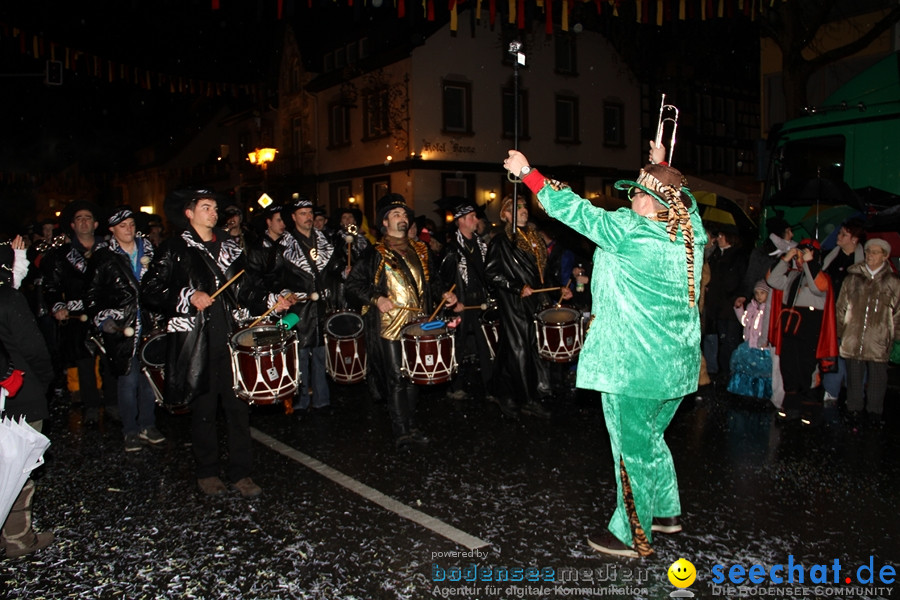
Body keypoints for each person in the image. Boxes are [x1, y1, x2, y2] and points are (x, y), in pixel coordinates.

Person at [503, 140, 706, 558]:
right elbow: (682, 201)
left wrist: (529, 173)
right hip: (676, 368)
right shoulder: (692, 235)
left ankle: (633, 533)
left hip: (634, 365)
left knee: (631, 449)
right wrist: (661, 164)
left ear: (650, 203)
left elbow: (576, 212)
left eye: (636, 193)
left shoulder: (630, 230)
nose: (629, 198)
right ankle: (665, 512)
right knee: (651, 439)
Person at [140, 189, 261, 498]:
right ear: (189, 213)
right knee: (204, 410)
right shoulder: (174, 248)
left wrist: (273, 299)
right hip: (197, 341)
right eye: (206, 207)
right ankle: (207, 472)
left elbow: (246, 288)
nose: (214, 212)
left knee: (238, 410)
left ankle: (241, 473)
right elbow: (150, 290)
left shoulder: (229, 246)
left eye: (215, 206)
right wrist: (187, 297)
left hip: (232, 340)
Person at [345, 194, 457, 449]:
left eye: (405, 214)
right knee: (396, 377)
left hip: (418, 324)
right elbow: (352, 285)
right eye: (396, 214)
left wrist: (444, 294)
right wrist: (376, 298)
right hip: (389, 325)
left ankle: (412, 425)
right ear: (384, 222)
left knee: (415, 376)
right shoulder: (375, 253)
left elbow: (434, 282)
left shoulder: (421, 249)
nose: (403, 218)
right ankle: (401, 430)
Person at [85, 207, 165, 452]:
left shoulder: (149, 248)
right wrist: (103, 320)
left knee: (148, 379)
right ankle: (130, 429)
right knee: (128, 380)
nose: (129, 229)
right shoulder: (103, 256)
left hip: (149, 323)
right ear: (111, 229)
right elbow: (91, 294)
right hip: (123, 327)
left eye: (131, 224)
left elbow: (161, 282)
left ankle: (148, 425)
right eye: (123, 225)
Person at [485, 196, 570, 419]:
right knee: (521, 348)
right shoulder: (502, 240)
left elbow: (545, 273)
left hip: (536, 300)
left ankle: (500, 390)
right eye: (516, 208)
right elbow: (491, 273)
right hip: (514, 302)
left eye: (524, 207)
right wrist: (516, 287)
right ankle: (527, 400)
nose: (522, 211)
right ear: (505, 215)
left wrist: (559, 289)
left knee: (516, 346)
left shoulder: (535, 237)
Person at [0, 237, 55, 558]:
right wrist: (44, 380)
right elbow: (35, 350)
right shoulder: (9, 299)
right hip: (19, 394)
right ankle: (19, 538)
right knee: (18, 470)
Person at [41, 200, 114, 424]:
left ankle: (113, 404)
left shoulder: (109, 250)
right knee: (84, 361)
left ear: (96, 224)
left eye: (88, 218)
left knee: (110, 360)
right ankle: (90, 405)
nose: (84, 222)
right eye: (79, 218)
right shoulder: (61, 255)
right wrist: (58, 306)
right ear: (72, 225)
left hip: (106, 314)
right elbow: (51, 286)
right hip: (77, 316)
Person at [276, 196, 341, 412]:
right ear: (293, 217)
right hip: (296, 310)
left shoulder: (325, 241)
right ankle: (300, 402)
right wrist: (285, 294)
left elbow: (333, 271)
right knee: (299, 355)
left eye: (310, 213)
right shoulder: (282, 246)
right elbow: (272, 279)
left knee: (322, 355)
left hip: (321, 306)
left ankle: (322, 400)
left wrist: (343, 271)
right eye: (303, 214)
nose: (308, 217)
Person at [766, 239, 838, 424]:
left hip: (809, 331)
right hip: (790, 329)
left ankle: (809, 409)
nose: (800, 258)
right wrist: (785, 259)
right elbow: (772, 280)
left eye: (805, 253)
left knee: (808, 369)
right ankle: (790, 407)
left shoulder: (822, 276)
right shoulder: (791, 276)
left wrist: (809, 263)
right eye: (800, 253)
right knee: (789, 367)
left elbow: (817, 286)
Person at [835, 238, 900, 428]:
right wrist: (840, 332)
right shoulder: (853, 278)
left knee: (878, 378)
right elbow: (841, 307)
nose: (870, 255)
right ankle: (853, 409)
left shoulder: (893, 282)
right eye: (868, 251)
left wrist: (896, 338)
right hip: (853, 337)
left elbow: (898, 312)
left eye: (875, 252)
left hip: (879, 338)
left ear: (885, 256)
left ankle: (874, 412)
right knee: (854, 376)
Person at [440, 200, 496, 403]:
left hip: (479, 304)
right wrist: (453, 302)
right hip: (461, 306)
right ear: (461, 221)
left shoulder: (481, 244)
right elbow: (443, 282)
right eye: (472, 216)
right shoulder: (451, 249)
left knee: (486, 346)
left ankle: (490, 387)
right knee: (458, 346)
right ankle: (455, 386)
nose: (476, 220)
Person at [821, 218, 865, 402]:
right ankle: (831, 390)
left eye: (843, 234)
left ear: (854, 239)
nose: (838, 236)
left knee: (853, 356)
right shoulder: (831, 257)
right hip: (832, 313)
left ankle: (854, 393)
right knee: (833, 351)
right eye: (839, 233)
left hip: (854, 316)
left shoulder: (862, 262)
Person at [703, 226, 747, 380]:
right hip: (717, 304)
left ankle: (732, 372)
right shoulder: (716, 255)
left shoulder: (738, 256)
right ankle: (722, 372)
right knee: (721, 339)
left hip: (731, 305)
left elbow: (743, 278)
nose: (719, 238)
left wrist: (741, 295)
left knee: (730, 339)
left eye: (722, 235)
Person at [727, 280, 773, 399]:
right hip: (748, 346)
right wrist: (739, 309)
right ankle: (746, 392)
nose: (759, 296)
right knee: (746, 370)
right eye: (756, 293)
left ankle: (761, 394)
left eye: (762, 293)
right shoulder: (751, 306)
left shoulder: (769, 310)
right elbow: (745, 321)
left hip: (762, 348)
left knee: (760, 372)